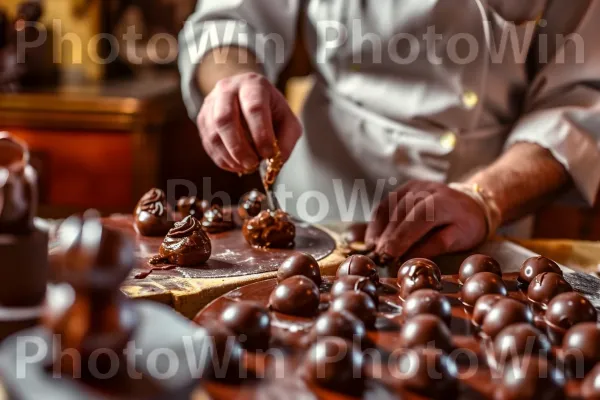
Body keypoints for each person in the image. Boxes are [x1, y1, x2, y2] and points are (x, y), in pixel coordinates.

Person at [178, 0, 600, 261]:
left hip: (476, 226)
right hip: (319, 208)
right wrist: (231, 81)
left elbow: (578, 102)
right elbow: (229, 21)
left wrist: (483, 199)